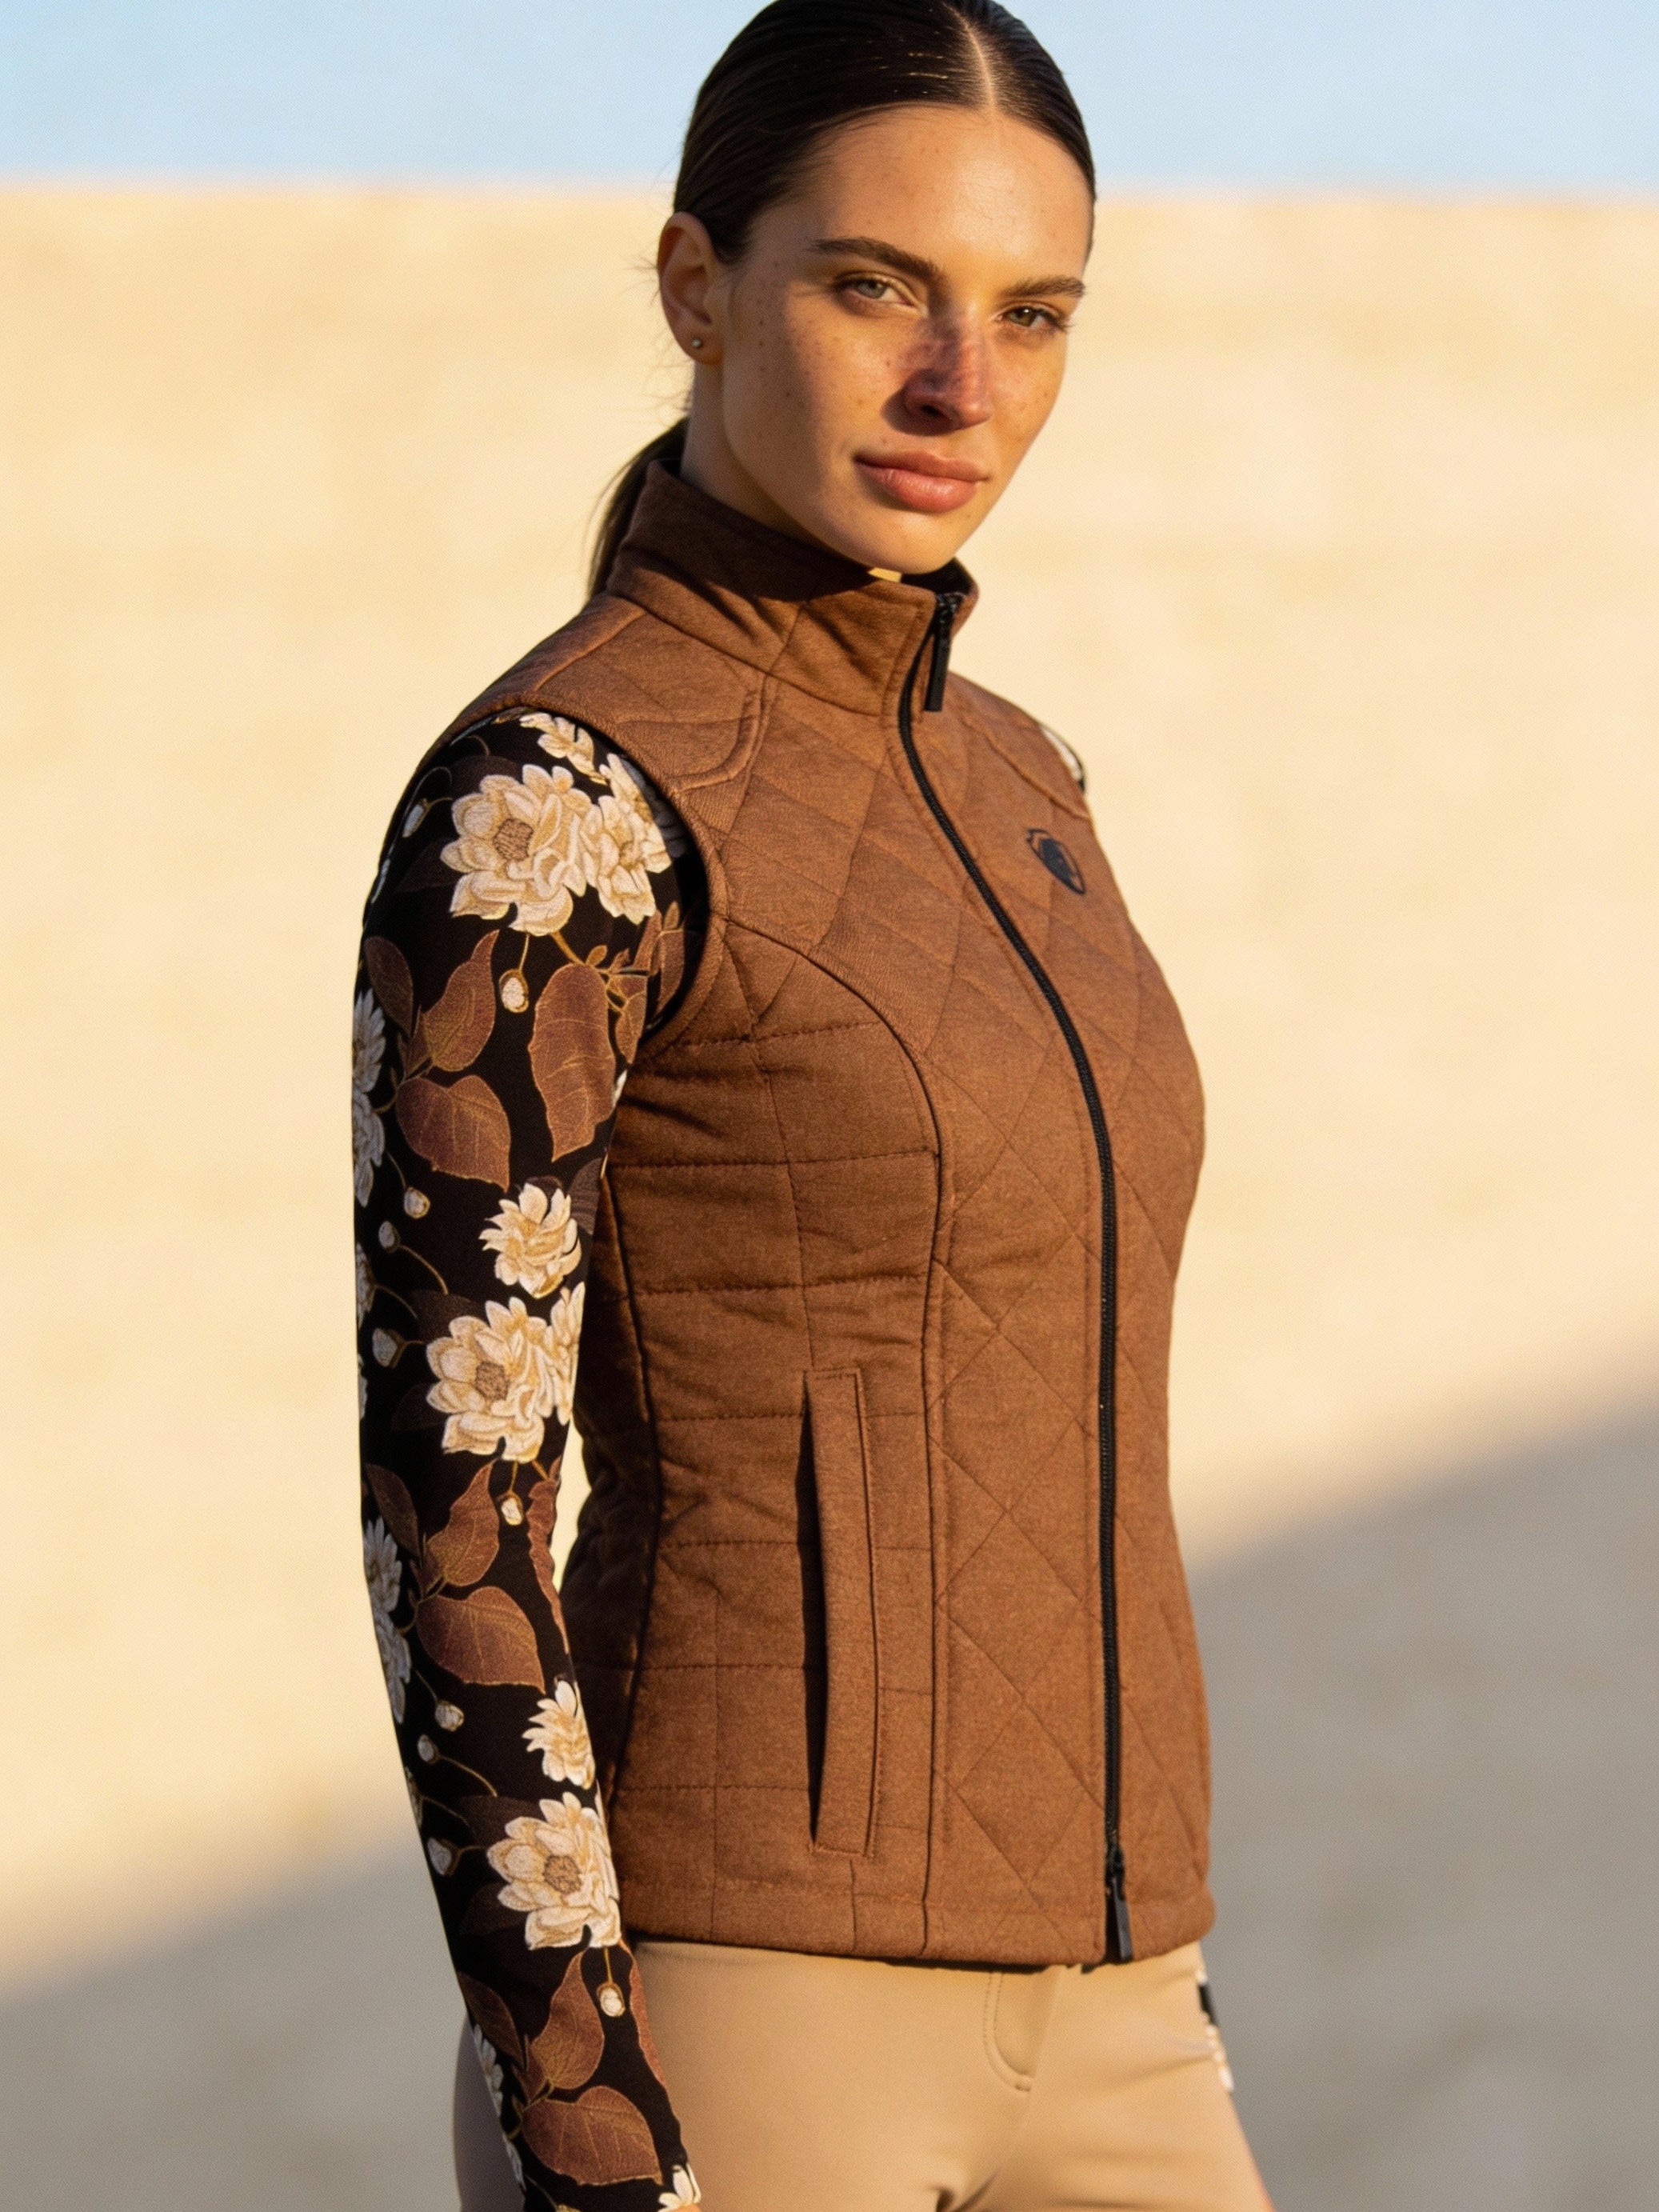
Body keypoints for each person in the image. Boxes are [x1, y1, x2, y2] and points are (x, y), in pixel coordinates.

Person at [353, 4, 1273, 2206]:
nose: (962, 384)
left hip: (1126, 2006)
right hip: (743, 2018)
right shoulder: (556, 803)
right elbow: (451, 1499)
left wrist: (1146, 1954)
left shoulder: (1023, 780)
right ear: (699, 284)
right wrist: (582, 2109)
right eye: (877, 288)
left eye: (1031, 314)